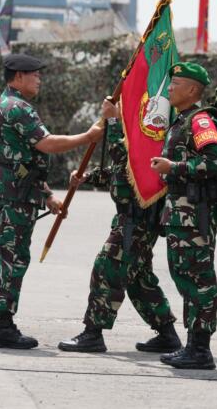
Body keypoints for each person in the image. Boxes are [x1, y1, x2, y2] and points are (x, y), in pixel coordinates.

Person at [0, 53, 104, 350]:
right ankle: (2, 327)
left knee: (9, 257)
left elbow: (24, 161)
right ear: (18, 76)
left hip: (17, 189)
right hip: (14, 193)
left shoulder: (10, 104)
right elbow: (47, 144)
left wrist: (46, 195)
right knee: (11, 259)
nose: (39, 79)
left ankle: (4, 323)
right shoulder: (18, 108)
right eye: (34, 74)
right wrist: (87, 137)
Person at [57, 99, 181, 353]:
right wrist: (88, 177)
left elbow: (130, 164)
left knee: (107, 269)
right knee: (138, 279)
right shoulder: (136, 136)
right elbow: (121, 171)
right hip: (133, 220)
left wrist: (113, 122)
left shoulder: (151, 136)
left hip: (137, 220)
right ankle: (167, 333)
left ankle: (93, 333)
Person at [150, 62, 217, 370]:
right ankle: (193, 345)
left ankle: (201, 349)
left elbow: (215, 162)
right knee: (186, 278)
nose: (169, 88)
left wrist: (174, 168)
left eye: (175, 83)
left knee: (199, 280)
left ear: (192, 90)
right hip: (181, 216)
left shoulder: (201, 120)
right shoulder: (180, 121)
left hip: (196, 215)